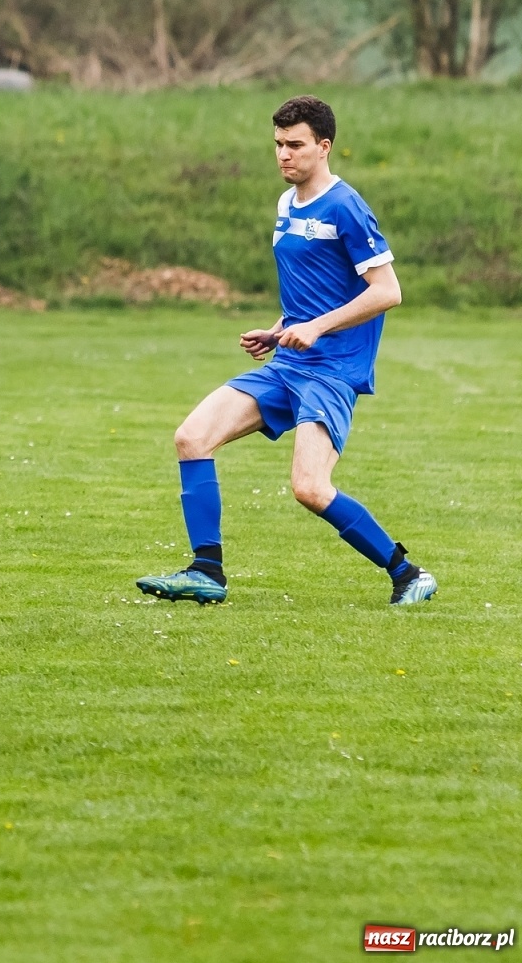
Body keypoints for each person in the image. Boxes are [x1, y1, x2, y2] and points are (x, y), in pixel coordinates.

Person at [136, 95, 437, 608]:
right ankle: (207, 570)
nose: (283, 155)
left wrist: (316, 328)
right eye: (278, 144)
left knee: (310, 487)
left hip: (332, 372)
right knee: (191, 437)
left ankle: (407, 573)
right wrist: (279, 330)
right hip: (288, 363)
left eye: (295, 145)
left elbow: (388, 291)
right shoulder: (285, 205)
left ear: (324, 147)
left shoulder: (346, 207)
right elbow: (313, 292)